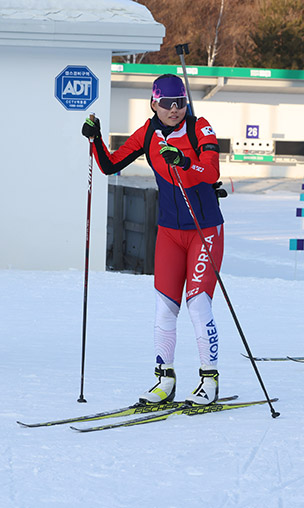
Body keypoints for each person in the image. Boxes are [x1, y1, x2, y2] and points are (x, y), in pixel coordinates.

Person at [81, 74, 225, 405]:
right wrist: (95, 138)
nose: (174, 110)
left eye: (180, 103)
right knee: (165, 308)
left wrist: (184, 161)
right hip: (169, 233)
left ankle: (209, 379)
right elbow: (109, 164)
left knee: (198, 304)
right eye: (166, 104)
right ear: (154, 103)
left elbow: (211, 172)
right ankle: (165, 379)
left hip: (204, 232)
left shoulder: (199, 128)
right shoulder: (148, 133)